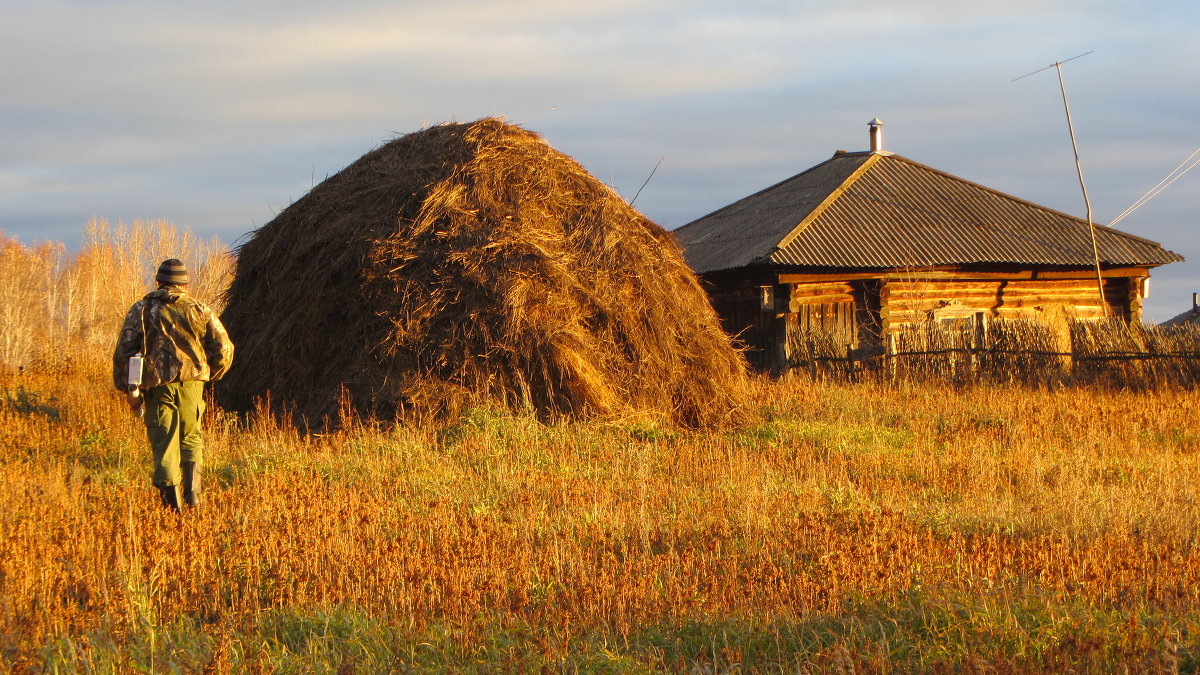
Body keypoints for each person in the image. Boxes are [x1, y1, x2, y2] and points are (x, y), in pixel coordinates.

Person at [113, 259, 234, 511]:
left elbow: (125, 350)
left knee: (165, 441)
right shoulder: (199, 309)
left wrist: (127, 387)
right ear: (184, 284)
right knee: (191, 438)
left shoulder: (142, 309)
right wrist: (212, 373)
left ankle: (173, 510)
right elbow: (224, 347)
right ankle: (193, 502)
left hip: (158, 387)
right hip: (193, 385)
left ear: (159, 281)